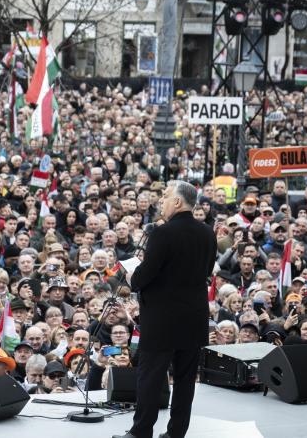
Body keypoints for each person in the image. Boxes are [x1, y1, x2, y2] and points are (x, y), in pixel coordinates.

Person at [115, 181, 216, 438]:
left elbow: (142, 278)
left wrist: (130, 277)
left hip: (161, 320)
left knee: (150, 378)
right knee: (185, 380)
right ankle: (176, 433)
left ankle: (141, 432)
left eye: (166, 196)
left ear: (179, 202)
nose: (162, 200)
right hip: (193, 318)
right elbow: (205, 273)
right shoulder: (208, 233)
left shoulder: (163, 233)